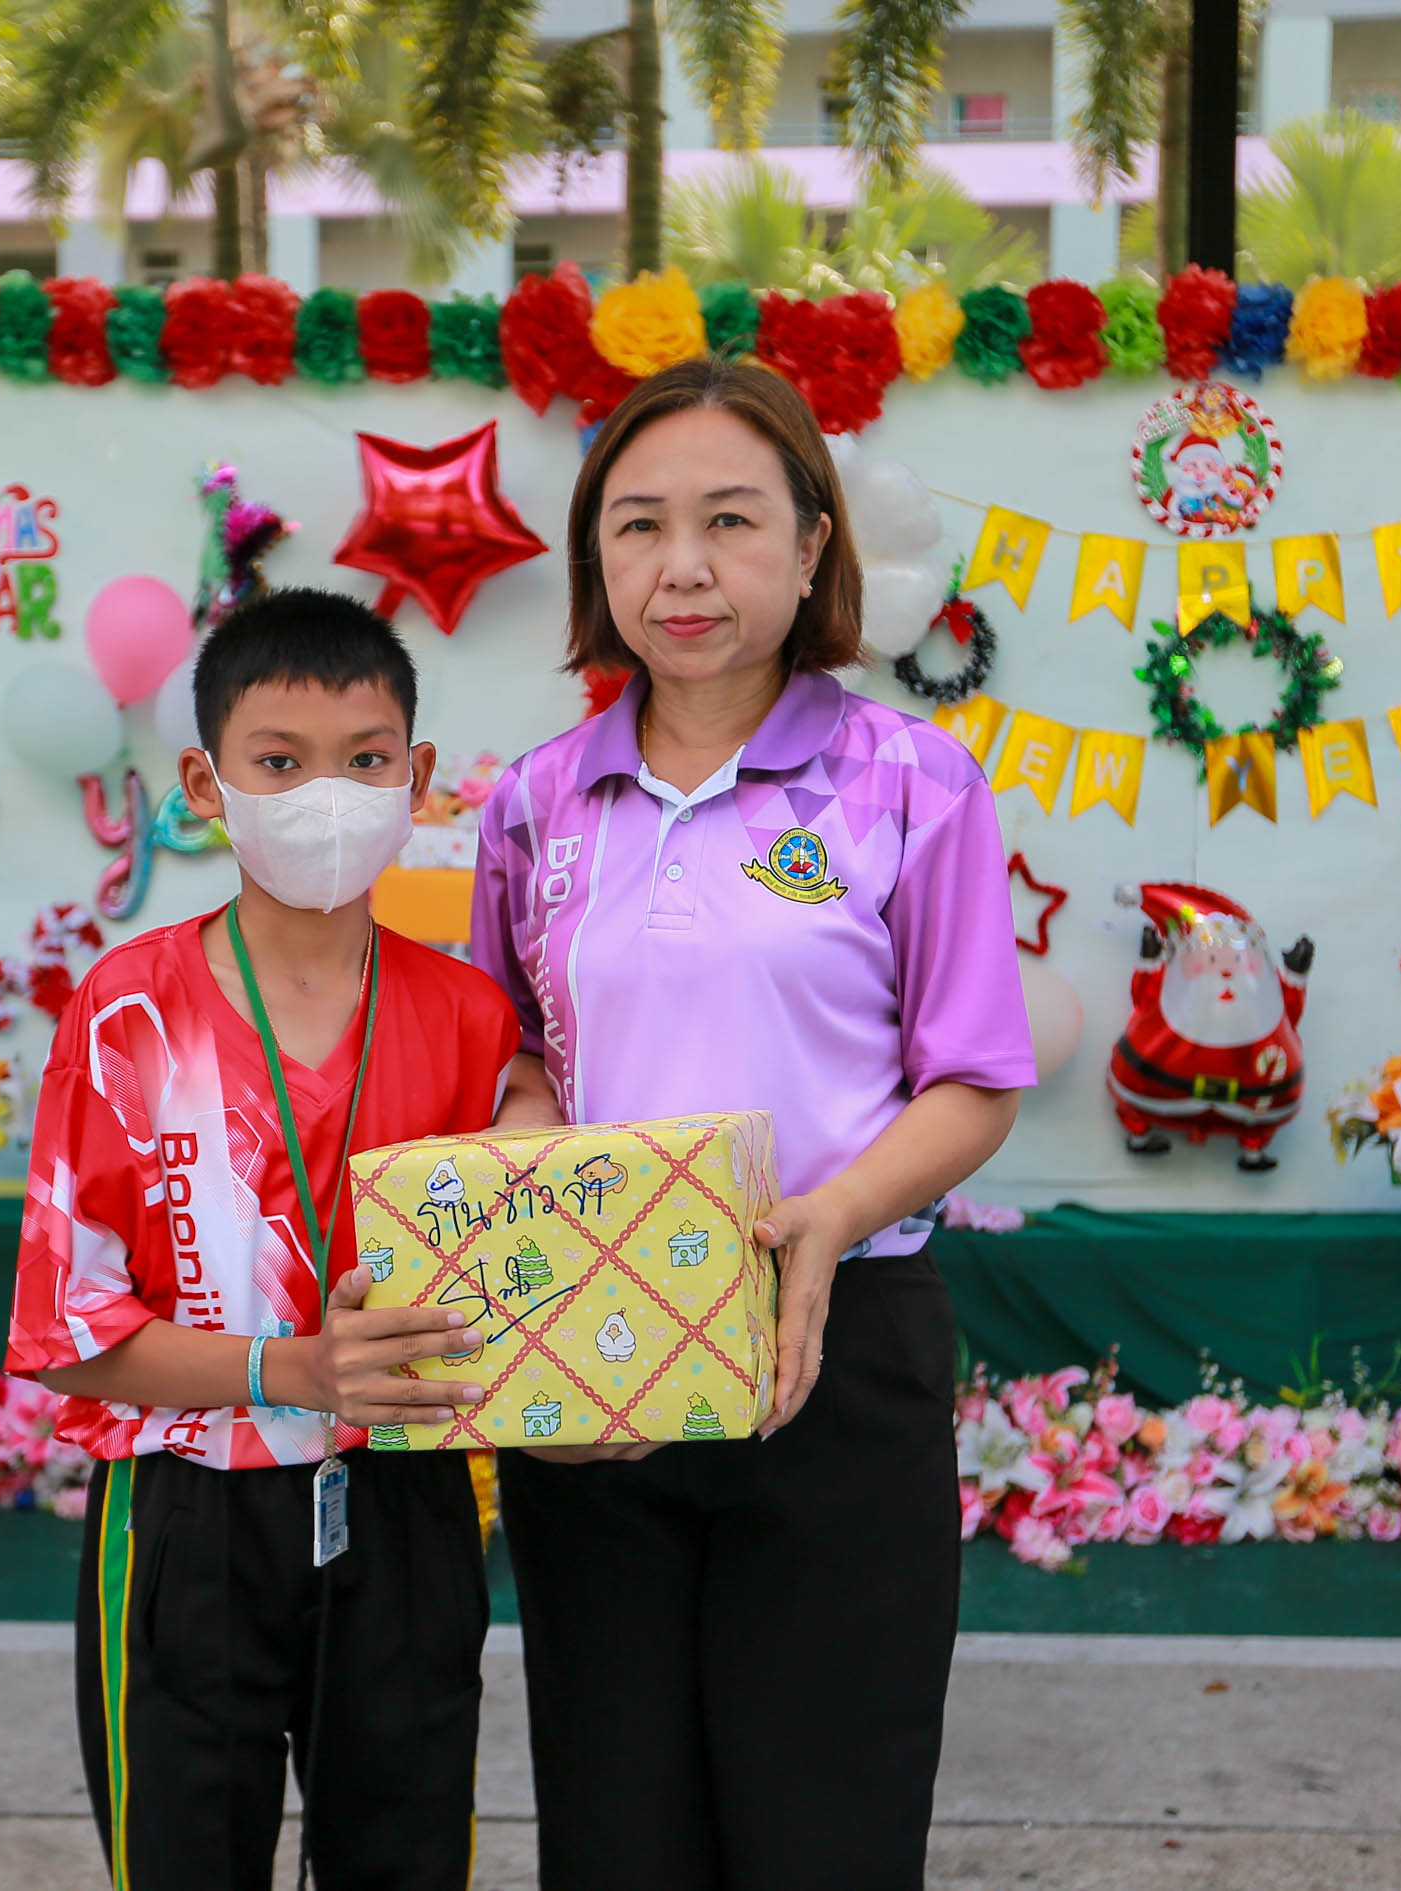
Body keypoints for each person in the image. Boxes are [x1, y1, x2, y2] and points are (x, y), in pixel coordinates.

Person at [471, 356, 1036, 1891]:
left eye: (730, 520)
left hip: (836, 1338)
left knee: (826, 1831)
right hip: (597, 1352)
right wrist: (530, 1144)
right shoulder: (535, 803)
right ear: (596, 559)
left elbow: (974, 1075)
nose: (685, 567)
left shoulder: (910, 782)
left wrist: (831, 1217)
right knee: (617, 1833)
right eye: (640, 525)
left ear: (811, 548)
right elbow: (510, 1050)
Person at [7, 586, 519, 1891]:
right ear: (206, 782)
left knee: (406, 1859)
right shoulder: (129, 1014)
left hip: (405, 1503)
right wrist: (288, 1371)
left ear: (418, 779)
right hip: (187, 1515)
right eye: (280, 763)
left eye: (366, 760)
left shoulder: (472, 1021)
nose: (326, 797)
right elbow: (70, 1335)